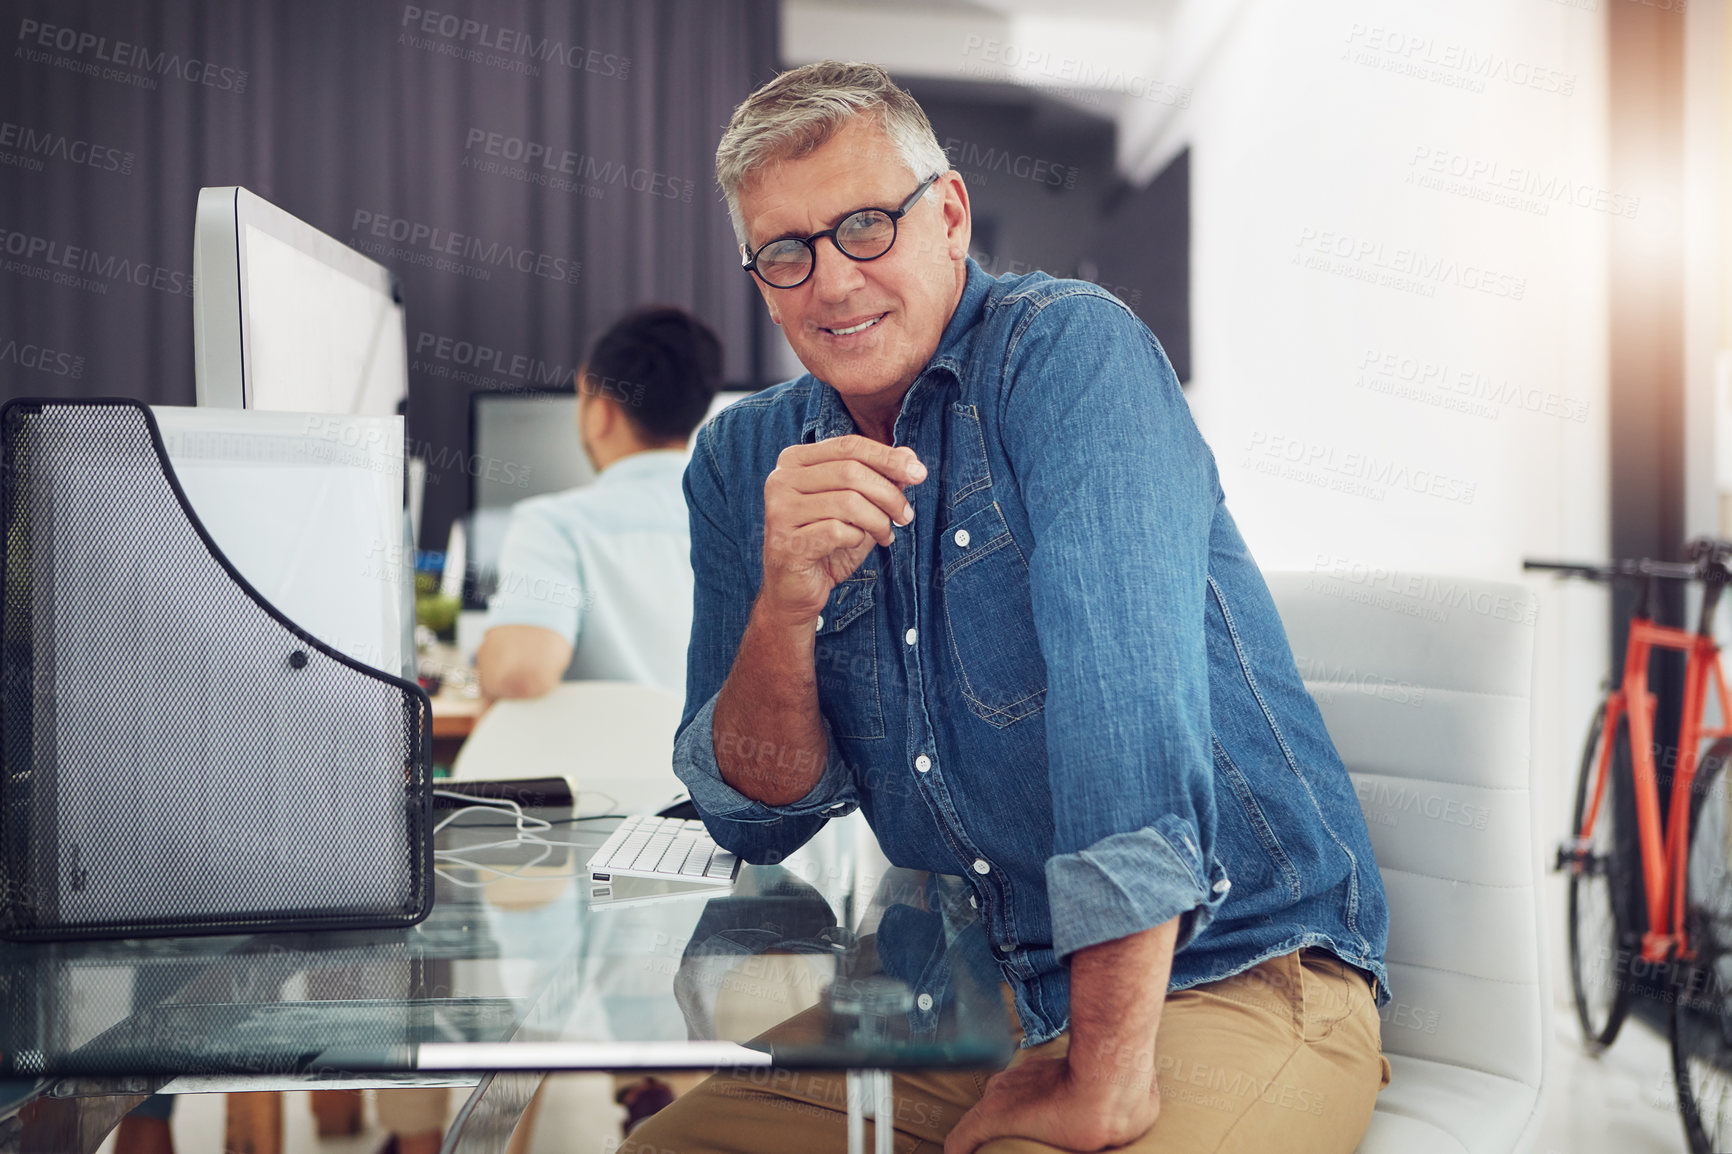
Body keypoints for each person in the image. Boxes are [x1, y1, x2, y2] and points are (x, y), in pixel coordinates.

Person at [626, 61, 1392, 1154]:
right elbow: (755, 813)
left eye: (865, 227)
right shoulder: (743, 458)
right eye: (787, 253)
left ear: (947, 215)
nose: (832, 284)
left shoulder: (1068, 352)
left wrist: (1105, 1071)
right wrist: (783, 604)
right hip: (961, 992)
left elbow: (1120, 725)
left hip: (1225, 964)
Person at [476, 305, 723, 702]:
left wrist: (485, 658)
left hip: (589, 765)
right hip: (717, 763)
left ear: (601, 412)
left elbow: (521, 672)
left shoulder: (555, 526)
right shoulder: (744, 522)